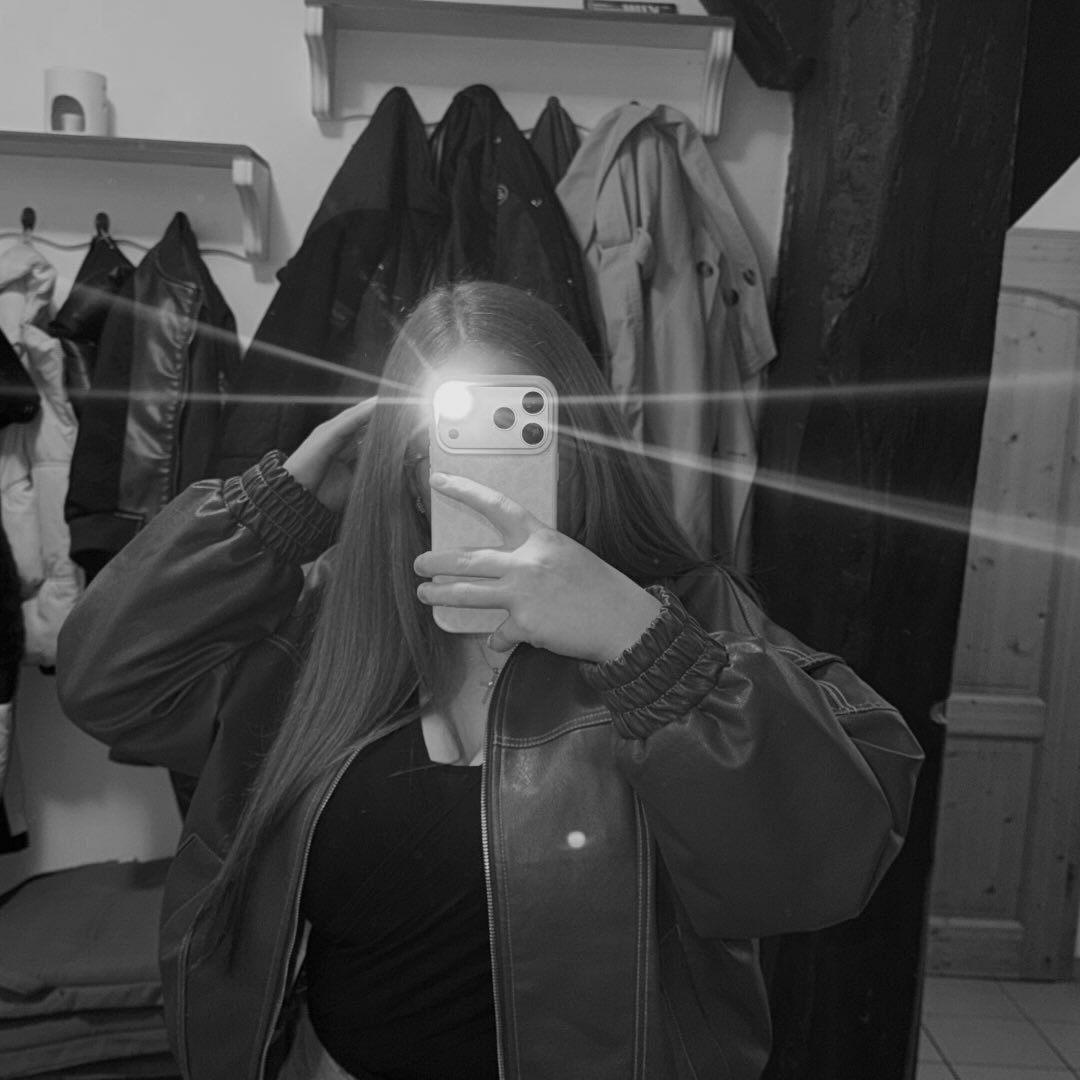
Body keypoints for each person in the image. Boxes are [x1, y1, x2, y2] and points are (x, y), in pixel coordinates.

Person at [56, 281, 923, 1080]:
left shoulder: (688, 621)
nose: (479, 469)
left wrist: (638, 644)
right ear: (403, 467)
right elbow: (109, 686)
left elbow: (823, 863)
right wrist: (272, 512)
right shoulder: (325, 628)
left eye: (522, 425)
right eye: (446, 438)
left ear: (582, 447)